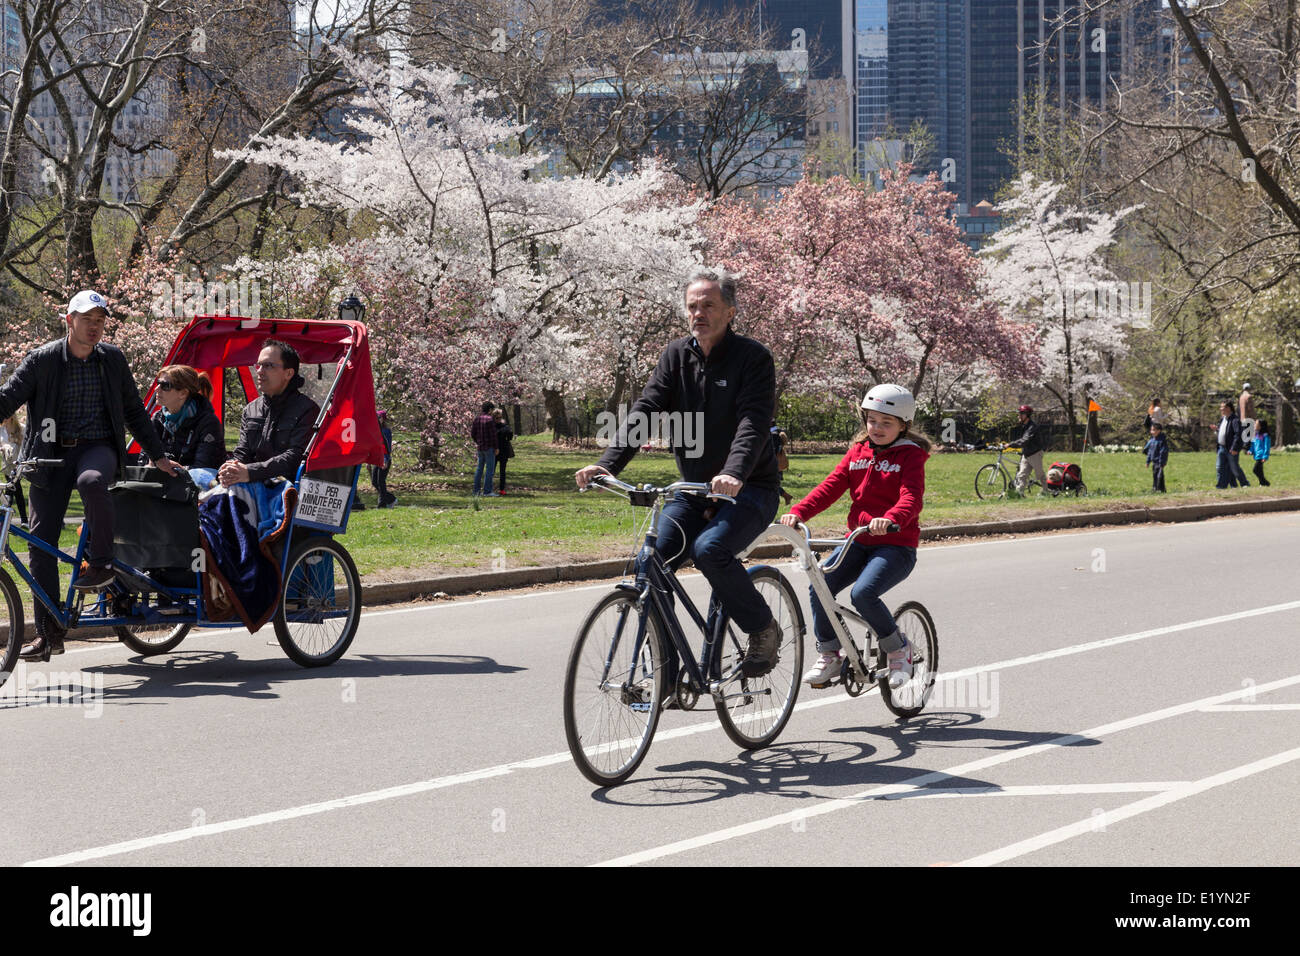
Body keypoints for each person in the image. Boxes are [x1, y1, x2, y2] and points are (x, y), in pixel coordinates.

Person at [575, 265, 783, 679]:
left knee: (711, 551)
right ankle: (668, 669)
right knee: (648, 563)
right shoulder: (676, 355)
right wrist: (607, 464)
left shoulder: (753, 358)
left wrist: (734, 473)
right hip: (692, 490)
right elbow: (646, 409)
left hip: (749, 488)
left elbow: (752, 423)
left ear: (730, 312)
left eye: (708, 305)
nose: (698, 313)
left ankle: (762, 629)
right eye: (692, 307)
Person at [0, 290, 180, 661]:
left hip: (97, 447)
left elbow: (134, 410)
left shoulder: (112, 359)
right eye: (87, 320)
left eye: (100, 321)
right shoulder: (43, 360)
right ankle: (50, 634)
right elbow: (8, 398)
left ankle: (102, 564)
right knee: (40, 546)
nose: (95, 327)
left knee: (92, 482)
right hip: (50, 454)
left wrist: (158, 456)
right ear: (70, 321)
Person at [779, 385, 930, 688]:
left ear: (904, 425)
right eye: (872, 421)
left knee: (863, 594)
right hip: (858, 540)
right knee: (819, 586)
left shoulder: (910, 457)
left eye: (887, 423)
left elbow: (911, 498)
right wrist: (798, 512)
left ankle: (899, 648)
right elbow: (830, 487)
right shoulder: (857, 453)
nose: (877, 428)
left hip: (895, 545)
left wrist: (890, 519)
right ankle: (830, 654)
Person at [217, 338, 320, 487]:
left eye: (268, 366)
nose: (259, 371)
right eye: (258, 365)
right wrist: (230, 469)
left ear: (289, 373)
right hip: (251, 482)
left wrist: (250, 472)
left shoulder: (307, 410)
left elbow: (295, 458)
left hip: (287, 488)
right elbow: (242, 452)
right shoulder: (251, 410)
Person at [146, 365, 225, 483]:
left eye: (165, 386)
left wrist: (168, 467)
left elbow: (202, 471)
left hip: (198, 492)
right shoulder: (157, 418)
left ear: (183, 393)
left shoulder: (207, 423)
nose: (156, 389)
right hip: (163, 486)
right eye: (158, 383)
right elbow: (143, 460)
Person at [1007, 404, 1047, 492]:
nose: (1019, 415)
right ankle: (1019, 493)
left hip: (1035, 454)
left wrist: (1010, 444)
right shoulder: (1024, 425)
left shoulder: (1032, 427)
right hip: (1027, 454)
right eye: (1019, 413)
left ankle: (1046, 491)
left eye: (1022, 413)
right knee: (1022, 475)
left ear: (1027, 415)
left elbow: (1024, 441)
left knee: (1039, 475)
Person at [1213, 401, 1249, 489]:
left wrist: (1234, 448)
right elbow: (1224, 431)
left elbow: (1238, 434)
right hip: (1222, 447)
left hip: (1230, 448)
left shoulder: (1235, 420)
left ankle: (1245, 484)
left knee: (1234, 468)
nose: (1221, 409)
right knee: (1220, 467)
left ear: (1228, 408)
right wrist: (1216, 429)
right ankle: (1221, 486)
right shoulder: (1223, 419)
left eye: (1223, 407)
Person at [470, 401, 497, 496]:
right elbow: (494, 436)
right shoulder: (490, 419)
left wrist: (478, 442)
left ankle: (476, 491)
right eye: (492, 409)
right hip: (489, 448)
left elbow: (473, 434)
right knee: (489, 470)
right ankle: (487, 491)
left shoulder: (477, 419)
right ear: (490, 409)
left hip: (480, 447)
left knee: (479, 469)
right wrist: (496, 447)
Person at [371, 409, 396, 507]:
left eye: (378, 418)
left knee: (380, 481)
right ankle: (391, 499)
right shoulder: (376, 430)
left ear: (382, 419)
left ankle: (382, 504)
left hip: (384, 459)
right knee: (374, 482)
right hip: (377, 459)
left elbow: (387, 447)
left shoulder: (386, 431)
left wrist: (385, 459)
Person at [494, 408, 514, 496]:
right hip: (495, 450)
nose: (498, 419)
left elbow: (510, 436)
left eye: (500, 417)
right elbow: (509, 436)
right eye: (497, 418)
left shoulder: (503, 426)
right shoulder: (503, 427)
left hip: (503, 451)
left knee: (502, 471)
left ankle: (502, 489)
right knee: (492, 471)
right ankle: (489, 488)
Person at [1144, 421, 1169, 493]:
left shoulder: (1162, 441)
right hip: (1154, 462)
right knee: (1155, 475)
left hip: (1159, 462)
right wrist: (1148, 461)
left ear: (1159, 431)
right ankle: (1155, 488)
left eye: (1154, 430)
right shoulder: (1152, 440)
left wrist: (1162, 462)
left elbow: (1163, 452)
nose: (1152, 432)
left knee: (1160, 476)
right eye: (1151, 430)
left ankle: (1161, 489)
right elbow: (1150, 452)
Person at [1250, 419, 1272, 487]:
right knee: (1260, 470)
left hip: (1261, 456)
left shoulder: (1265, 436)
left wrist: (1265, 456)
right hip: (1257, 455)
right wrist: (1251, 450)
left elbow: (1267, 447)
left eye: (1256, 424)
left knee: (1255, 470)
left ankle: (1265, 482)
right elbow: (1253, 444)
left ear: (1260, 426)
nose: (1254, 425)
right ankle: (1262, 483)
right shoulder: (1256, 435)